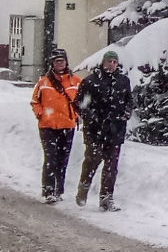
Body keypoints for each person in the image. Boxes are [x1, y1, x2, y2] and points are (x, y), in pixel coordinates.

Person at [74, 49, 135, 211]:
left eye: (115, 62)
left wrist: (126, 113)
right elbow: (79, 103)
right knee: (92, 160)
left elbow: (129, 101)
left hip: (115, 130)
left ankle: (106, 198)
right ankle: (84, 186)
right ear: (103, 62)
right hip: (95, 130)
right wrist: (91, 116)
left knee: (111, 165)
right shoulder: (90, 81)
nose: (112, 64)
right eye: (109, 61)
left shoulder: (123, 81)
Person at [30, 48, 83, 204]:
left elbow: (83, 103)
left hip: (67, 125)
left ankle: (58, 190)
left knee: (62, 160)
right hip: (48, 126)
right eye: (56, 61)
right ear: (52, 63)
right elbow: (35, 102)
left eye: (62, 60)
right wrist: (41, 114)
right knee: (51, 158)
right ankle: (48, 190)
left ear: (66, 62)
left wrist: (77, 116)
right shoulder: (43, 82)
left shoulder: (76, 82)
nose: (60, 63)